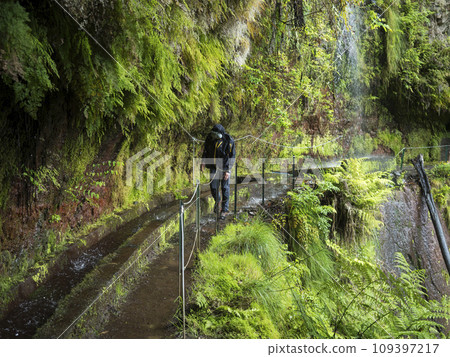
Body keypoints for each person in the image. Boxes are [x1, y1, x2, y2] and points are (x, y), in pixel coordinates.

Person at [201, 124, 236, 219]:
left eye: (216, 134)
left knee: (225, 188)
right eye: (213, 134)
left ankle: (224, 210)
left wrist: (228, 171)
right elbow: (205, 151)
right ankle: (218, 201)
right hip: (213, 166)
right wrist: (203, 162)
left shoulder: (229, 140)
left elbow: (232, 156)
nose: (214, 136)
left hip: (224, 167)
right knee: (213, 187)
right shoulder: (209, 138)